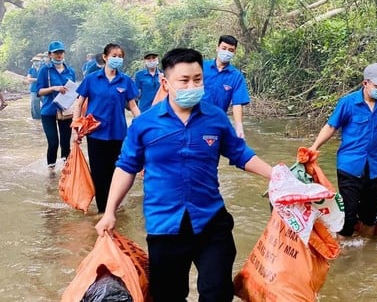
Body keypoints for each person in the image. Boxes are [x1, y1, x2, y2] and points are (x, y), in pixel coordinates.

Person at [94, 48, 273, 301]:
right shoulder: (145, 124)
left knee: (218, 292)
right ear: (165, 83)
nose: (192, 85)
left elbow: (240, 154)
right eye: (184, 80)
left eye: (197, 79)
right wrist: (110, 211)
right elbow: (126, 168)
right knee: (169, 295)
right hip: (164, 225)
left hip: (210, 220)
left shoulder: (216, 118)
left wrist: (275, 174)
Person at [308, 62, 377, 239]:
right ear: (365, 83)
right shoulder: (348, 103)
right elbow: (331, 127)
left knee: (370, 217)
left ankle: (366, 254)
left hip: (375, 169)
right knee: (347, 217)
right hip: (349, 167)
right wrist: (314, 147)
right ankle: (344, 253)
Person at [72, 43, 141, 213]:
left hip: (118, 133)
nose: (117, 59)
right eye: (114, 55)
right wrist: (75, 126)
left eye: (120, 56)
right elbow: (79, 103)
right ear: (105, 57)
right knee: (98, 172)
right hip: (95, 134)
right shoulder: (92, 79)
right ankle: (103, 210)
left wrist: (143, 126)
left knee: (116, 171)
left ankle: (113, 207)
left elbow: (132, 106)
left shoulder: (125, 80)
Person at [36, 41, 77, 176]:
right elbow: (39, 91)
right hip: (48, 111)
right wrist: (54, 88)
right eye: (56, 53)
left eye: (61, 52)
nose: (59, 55)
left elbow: (75, 91)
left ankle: (66, 171)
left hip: (66, 111)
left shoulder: (70, 71)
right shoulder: (45, 70)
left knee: (66, 143)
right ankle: (51, 172)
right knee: (53, 142)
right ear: (50, 54)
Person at [202, 35, 250, 138]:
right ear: (217, 48)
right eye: (224, 48)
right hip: (194, 118)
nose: (226, 52)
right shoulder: (201, 68)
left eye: (231, 50)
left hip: (216, 123)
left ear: (234, 52)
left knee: (212, 152)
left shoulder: (236, 76)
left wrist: (239, 127)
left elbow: (237, 104)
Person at [26, 55, 43, 119]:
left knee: (47, 103)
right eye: (34, 61)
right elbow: (28, 79)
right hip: (34, 89)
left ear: (40, 61)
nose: (36, 62)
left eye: (37, 61)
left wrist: (34, 79)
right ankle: (36, 119)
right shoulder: (31, 69)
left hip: (43, 89)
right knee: (34, 106)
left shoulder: (43, 68)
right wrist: (38, 79)